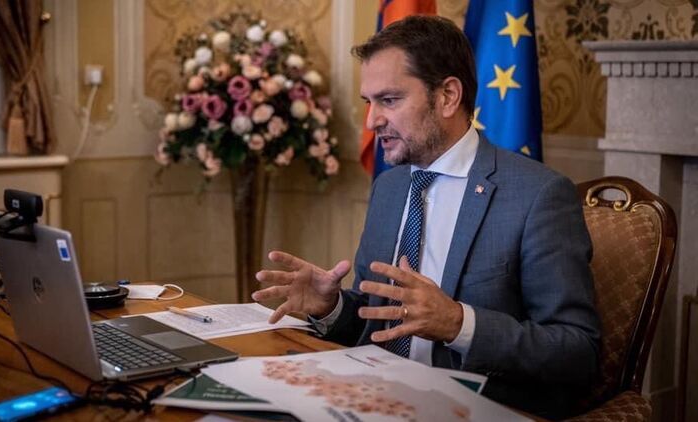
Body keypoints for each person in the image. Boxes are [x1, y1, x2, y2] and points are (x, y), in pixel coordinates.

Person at [252, 15, 600, 420]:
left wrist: (458, 324)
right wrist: (331, 306)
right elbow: (377, 320)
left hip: (477, 408)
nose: (372, 121)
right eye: (369, 102)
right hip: (371, 397)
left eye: (389, 100)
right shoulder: (390, 186)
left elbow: (579, 351)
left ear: (448, 96)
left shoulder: (537, 194)